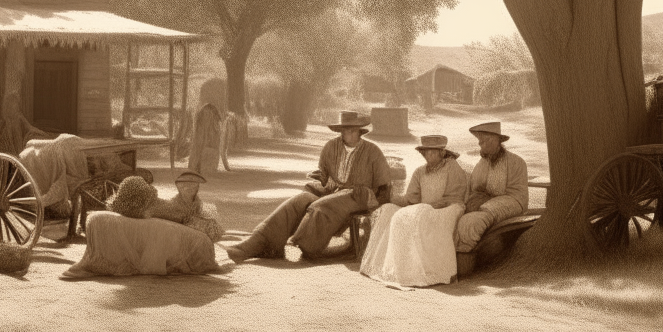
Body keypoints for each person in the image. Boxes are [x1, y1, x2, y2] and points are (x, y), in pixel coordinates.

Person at [225, 111, 391, 262]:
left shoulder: (373, 151)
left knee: (320, 206)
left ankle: (307, 246)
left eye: (352, 130)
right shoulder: (331, 147)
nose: (348, 134)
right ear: (340, 131)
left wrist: (377, 205)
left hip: (360, 195)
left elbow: (383, 188)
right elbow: (324, 176)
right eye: (344, 130)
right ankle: (259, 243)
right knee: (299, 200)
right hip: (333, 192)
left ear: (360, 131)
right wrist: (320, 181)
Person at [360, 135, 469, 288]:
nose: (428, 155)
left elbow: (454, 196)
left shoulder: (452, 167)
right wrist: (389, 200)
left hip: (450, 208)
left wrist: (427, 207)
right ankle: (396, 269)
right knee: (388, 211)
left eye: (433, 152)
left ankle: (422, 272)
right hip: (425, 209)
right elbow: (410, 199)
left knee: (419, 214)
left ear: (442, 153)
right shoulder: (420, 172)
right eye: (426, 152)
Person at [61, 175, 220, 278]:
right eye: (186, 186)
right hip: (148, 205)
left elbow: (180, 215)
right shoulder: (148, 207)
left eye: (192, 187)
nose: (189, 189)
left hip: (170, 215)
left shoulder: (165, 206)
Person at [455, 122, 528, 253]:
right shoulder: (482, 163)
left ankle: (466, 261)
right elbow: (474, 187)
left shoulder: (516, 162)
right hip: (483, 203)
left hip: (512, 201)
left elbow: (513, 195)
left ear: (495, 140)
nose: (479, 144)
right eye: (479, 141)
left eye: (483, 140)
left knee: (470, 223)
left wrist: (483, 202)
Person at [149, 170, 225, 242]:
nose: (189, 187)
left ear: (198, 187)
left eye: (193, 184)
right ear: (178, 187)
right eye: (184, 184)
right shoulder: (170, 206)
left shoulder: (207, 209)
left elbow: (217, 234)